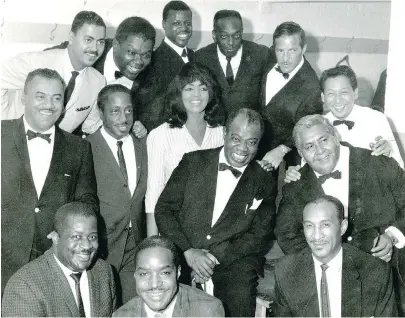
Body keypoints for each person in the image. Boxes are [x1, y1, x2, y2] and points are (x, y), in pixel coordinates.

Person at [155, 108, 277, 317]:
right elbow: (164, 210)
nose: (243, 148)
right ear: (225, 134)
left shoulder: (264, 180)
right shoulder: (192, 162)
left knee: (239, 298)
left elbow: (258, 235)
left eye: (252, 142)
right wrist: (189, 253)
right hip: (185, 253)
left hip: (232, 261)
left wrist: (211, 260)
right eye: (236, 138)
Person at [1, 68, 98, 292]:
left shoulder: (79, 148)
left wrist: (68, 235)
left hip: (53, 262)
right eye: (40, 96)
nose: (49, 104)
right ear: (24, 97)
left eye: (57, 98)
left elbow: (87, 202)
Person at [273, 195, 396, 317]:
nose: (316, 236)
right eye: (309, 225)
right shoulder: (285, 271)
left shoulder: (376, 271)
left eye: (325, 224)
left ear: (342, 227)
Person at [145, 62, 225, 237]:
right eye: (189, 88)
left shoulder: (221, 133)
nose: (196, 95)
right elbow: (154, 192)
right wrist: (153, 242)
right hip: (174, 227)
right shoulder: (160, 135)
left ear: (211, 93)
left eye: (203, 88)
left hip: (214, 230)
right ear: (179, 93)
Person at [86, 84, 147, 305]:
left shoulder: (144, 144)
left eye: (129, 110)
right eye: (115, 111)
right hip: (102, 247)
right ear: (101, 113)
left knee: (132, 308)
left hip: (135, 244)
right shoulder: (86, 147)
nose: (124, 117)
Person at [46, 16, 156, 138]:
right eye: (131, 52)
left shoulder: (150, 76)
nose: (139, 62)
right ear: (116, 44)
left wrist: (136, 126)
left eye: (146, 55)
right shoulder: (90, 53)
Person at [2, 202, 116, 317]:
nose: (87, 246)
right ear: (55, 238)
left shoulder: (104, 272)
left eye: (92, 237)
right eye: (77, 237)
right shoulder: (25, 285)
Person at [1, 11, 106, 135]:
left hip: (56, 151)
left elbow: (91, 127)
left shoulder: (98, 81)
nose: (95, 48)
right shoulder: (38, 62)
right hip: (14, 141)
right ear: (71, 37)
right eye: (88, 40)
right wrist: (4, 120)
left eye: (100, 41)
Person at [260, 21, 323, 169]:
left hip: (283, 160)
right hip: (255, 146)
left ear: (304, 48)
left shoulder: (312, 87)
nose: (285, 58)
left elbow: (307, 130)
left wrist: (282, 149)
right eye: (280, 50)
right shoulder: (270, 56)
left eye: (292, 51)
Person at [113, 235, 225, 317]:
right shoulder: (121, 316)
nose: (154, 284)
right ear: (135, 276)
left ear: (178, 272)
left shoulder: (207, 312)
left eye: (164, 273)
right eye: (144, 274)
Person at [195, 10, 271, 115]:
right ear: (214, 35)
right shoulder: (201, 58)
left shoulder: (260, 54)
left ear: (242, 32)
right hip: (214, 126)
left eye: (236, 36)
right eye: (224, 36)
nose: (231, 43)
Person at [133, 0, 195, 131]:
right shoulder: (152, 61)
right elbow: (146, 112)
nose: (184, 28)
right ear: (164, 25)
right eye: (177, 23)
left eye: (187, 23)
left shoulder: (195, 56)